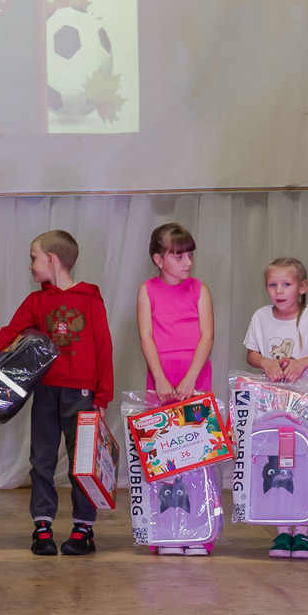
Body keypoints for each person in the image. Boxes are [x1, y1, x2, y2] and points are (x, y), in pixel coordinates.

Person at [0, 230, 112, 558]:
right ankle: (42, 526)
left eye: (34, 258)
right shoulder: (36, 301)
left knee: (82, 464)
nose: (30, 265)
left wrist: (102, 397)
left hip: (82, 395)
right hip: (46, 393)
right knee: (41, 460)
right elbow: (9, 334)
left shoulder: (90, 299)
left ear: (51, 259)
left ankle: (83, 529)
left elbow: (104, 347)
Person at [243, 256, 308, 561]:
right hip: (270, 407)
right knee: (276, 463)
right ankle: (283, 530)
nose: (279, 291)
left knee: (306, 465)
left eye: (286, 284)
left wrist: (304, 362)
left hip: (307, 407)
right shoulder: (260, 316)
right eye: (273, 285)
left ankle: (304, 531)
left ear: (302, 287)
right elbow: (251, 354)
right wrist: (265, 362)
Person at [136, 223, 217, 556]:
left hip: (194, 375)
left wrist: (190, 379)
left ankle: (198, 531)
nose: (188, 262)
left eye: (190, 255)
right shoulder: (147, 290)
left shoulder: (200, 290)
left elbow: (207, 336)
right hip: (161, 377)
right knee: (165, 455)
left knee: (198, 453)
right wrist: (159, 378)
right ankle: (167, 530)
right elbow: (146, 336)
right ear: (159, 259)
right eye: (179, 256)